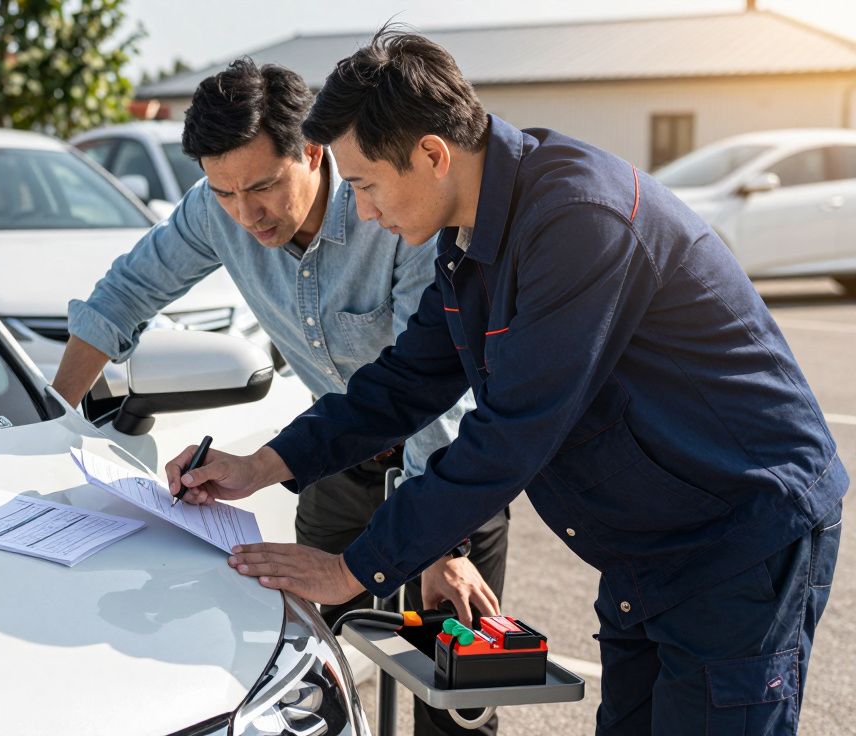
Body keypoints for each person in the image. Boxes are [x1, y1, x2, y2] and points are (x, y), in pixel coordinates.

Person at [168, 29, 846, 736]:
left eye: (365, 185)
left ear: (432, 154)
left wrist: (352, 571)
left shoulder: (578, 220)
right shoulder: (469, 239)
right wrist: (259, 466)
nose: (362, 212)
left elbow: (513, 431)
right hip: (651, 550)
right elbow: (404, 382)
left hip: (735, 536)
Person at [54, 59, 507, 735]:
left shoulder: (394, 212)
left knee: (456, 703)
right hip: (333, 461)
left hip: (447, 472)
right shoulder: (218, 210)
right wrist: (53, 424)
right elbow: (122, 295)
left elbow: (432, 389)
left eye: (262, 186)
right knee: (305, 683)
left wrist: (444, 546)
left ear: (314, 149)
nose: (245, 214)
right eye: (225, 192)